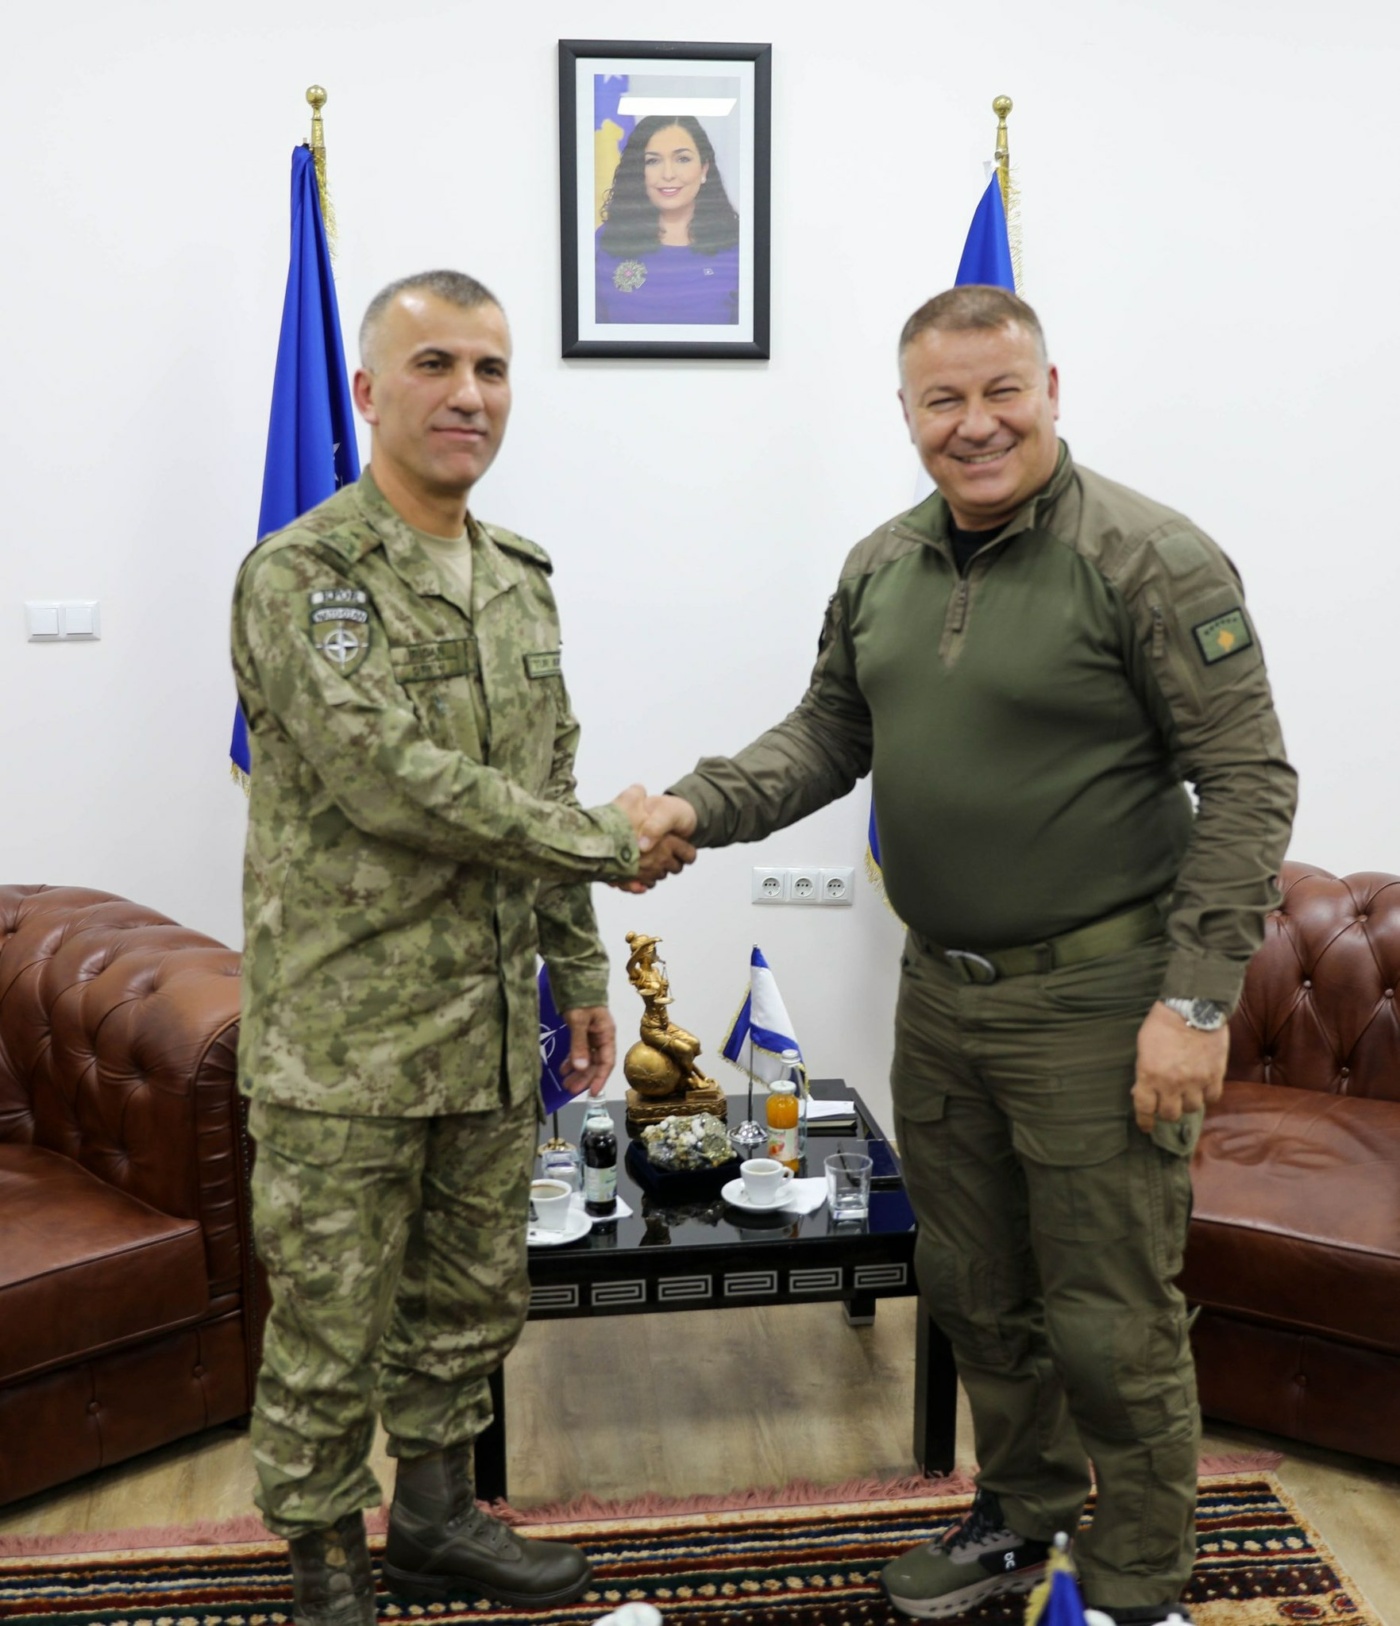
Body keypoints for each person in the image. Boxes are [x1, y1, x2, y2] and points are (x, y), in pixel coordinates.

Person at [637, 285, 1296, 1623]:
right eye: (943, 399)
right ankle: (1019, 1509)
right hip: (939, 994)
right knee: (973, 1287)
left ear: (1051, 389)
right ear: (906, 412)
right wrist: (694, 806)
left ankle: (1135, 1585)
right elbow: (826, 735)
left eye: (1002, 391)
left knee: (1109, 1312)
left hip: (1100, 1003)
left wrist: (1194, 1001)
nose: (976, 423)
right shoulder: (881, 565)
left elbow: (1247, 782)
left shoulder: (1150, 558)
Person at [230, 268, 692, 1626]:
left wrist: (581, 969)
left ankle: (434, 1519)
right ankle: (325, 1561)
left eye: (490, 368)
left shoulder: (517, 580)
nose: (468, 395)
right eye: (434, 365)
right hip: (344, 1044)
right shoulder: (305, 574)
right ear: (368, 391)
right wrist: (607, 841)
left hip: (487, 1028)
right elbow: (394, 783)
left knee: (467, 1298)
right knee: (328, 1321)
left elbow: (543, 785)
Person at [594, 114, 740, 325]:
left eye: (682, 159)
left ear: (704, 169)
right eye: (653, 161)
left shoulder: (739, 246)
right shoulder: (604, 242)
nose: (668, 174)